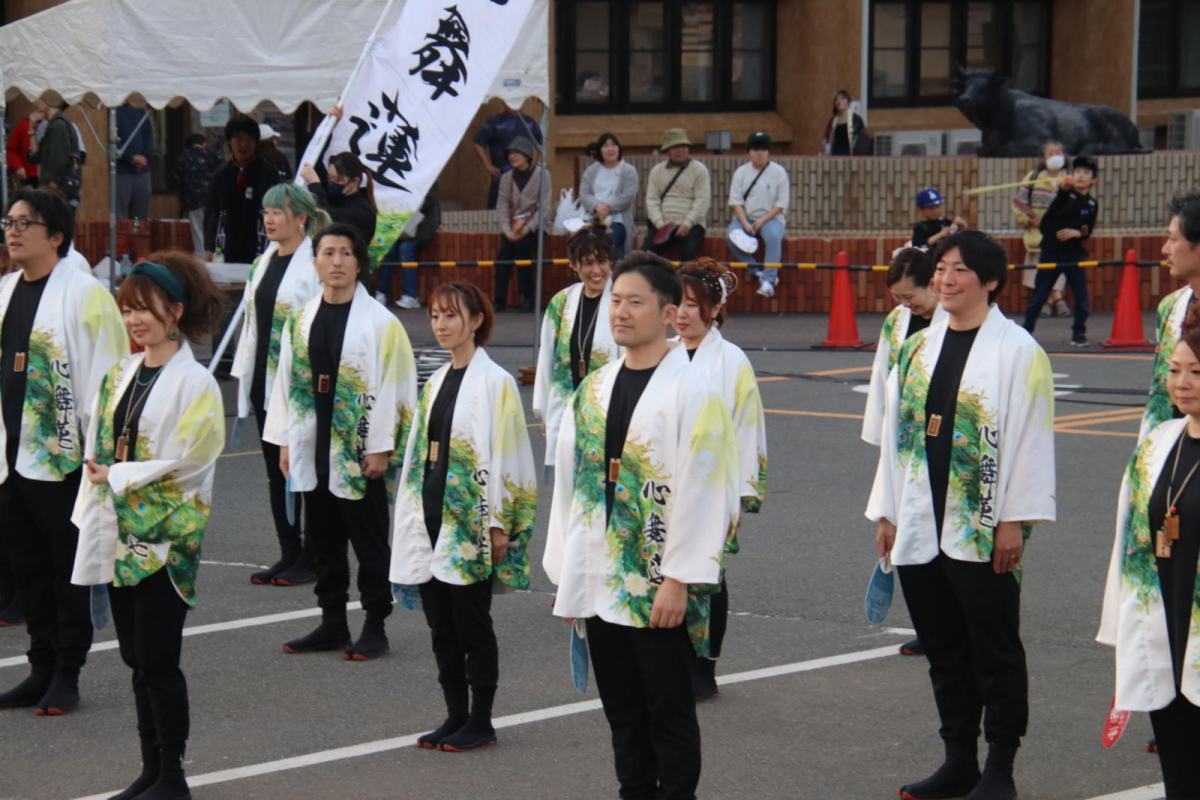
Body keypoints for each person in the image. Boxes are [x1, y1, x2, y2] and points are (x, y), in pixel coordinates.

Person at [867, 230, 1056, 800]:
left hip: (982, 525)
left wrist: (1013, 520)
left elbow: (1032, 439)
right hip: (919, 519)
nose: (945, 280)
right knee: (944, 648)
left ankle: (1000, 766)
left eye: (959, 270)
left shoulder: (1018, 350)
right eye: (940, 269)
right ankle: (958, 761)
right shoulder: (917, 347)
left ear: (990, 281)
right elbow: (898, 437)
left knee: (994, 647)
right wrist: (887, 511)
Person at [543, 252, 737, 800]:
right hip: (600, 575)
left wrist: (678, 578)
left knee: (668, 710)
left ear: (669, 313)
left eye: (635, 301)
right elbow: (573, 490)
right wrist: (570, 574)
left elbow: (705, 492)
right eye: (616, 301)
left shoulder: (694, 390)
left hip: (657, 580)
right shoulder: (593, 388)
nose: (620, 312)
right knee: (622, 711)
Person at [71, 251, 225, 800]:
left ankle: (173, 776)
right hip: (118, 532)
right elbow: (97, 439)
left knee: (159, 658)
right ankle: (150, 769)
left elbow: (192, 462)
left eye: (145, 309)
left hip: (166, 540)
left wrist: (118, 475)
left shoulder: (196, 383)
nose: (134, 320)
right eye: (128, 309)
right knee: (135, 658)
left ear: (175, 312)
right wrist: (102, 478)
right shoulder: (120, 373)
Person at [390, 282, 537, 752]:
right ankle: (454, 714)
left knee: (472, 624)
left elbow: (510, 454)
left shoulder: (496, 382)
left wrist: (499, 522)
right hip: (431, 514)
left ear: (476, 321)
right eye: (435, 315)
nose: (441, 324)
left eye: (451, 315)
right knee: (441, 627)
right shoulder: (435, 381)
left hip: (470, 520)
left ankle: (481, 719)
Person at [0, 189, 127, 714]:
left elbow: (109, 380)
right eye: (9, 222)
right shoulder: (5, 290)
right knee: (27, 567)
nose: (12, 232)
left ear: (55, 236)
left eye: (24, 223)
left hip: (65, 458)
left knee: (66, 569)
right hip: (10, 456)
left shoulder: (85, 294)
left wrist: (102, 454)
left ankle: (67, 673)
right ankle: (40, 666)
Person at [266, 223, 417, 660]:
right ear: (314, 262)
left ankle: (375, 625)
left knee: (369, 543)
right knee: (324, 541)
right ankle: (332, 621)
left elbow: (397, 385)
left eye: (346, 253)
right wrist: (284, 442)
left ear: (359, 264)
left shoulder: (382, 323)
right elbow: (285, 382)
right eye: (328, 252)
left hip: (360, 449)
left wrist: (381, 445)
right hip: (313, 446)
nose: (336, 261)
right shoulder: (300, 320)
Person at [1100, 313, 1200, 799]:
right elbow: (1128, 537)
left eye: (1196, 372)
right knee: (1177, 749)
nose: (1182, 383)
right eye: (1175, 370)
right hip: (1163, 612)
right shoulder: (1160, 441)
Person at [673, 257, 767, 701]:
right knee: (670, 569)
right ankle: (675, 657)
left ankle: (704, 666)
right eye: (677, 303)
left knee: (708, 573)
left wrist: (740, 493)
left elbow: (747, 428)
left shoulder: (732, 360)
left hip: (714, 485)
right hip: (667, 482)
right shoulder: (664, 353)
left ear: (713, 309)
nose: (683, 313)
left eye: (693, 305)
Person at [230, 183, 330, 587]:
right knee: (277, 469)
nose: (269, 220)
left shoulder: (315, 263)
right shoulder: (263, 261)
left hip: (300, 382)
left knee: (305, 464)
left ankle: (314, 554)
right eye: (266, 213)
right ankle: (289, 551)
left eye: (277, 212)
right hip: (264, 379)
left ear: (301, 218)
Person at [861, 247, 946, 658]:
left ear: (933, 283)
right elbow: (884, 374)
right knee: (906, 535)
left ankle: (948, 627)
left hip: (945, 438)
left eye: (910, 296)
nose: (904, 304)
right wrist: (883, 430)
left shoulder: (953, 318)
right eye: (897, 297)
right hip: (905, 437)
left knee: (941, 537)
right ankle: (929, 627)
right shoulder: (897, 321)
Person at [533, 225, 622, 473]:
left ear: (611, 262)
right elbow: (547, 357)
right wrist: (544, 410)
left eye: (602, 261)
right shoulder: (561, 302)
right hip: (566, 406)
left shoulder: (623, 300)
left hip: (608, 408)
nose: (596, 270)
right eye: (587, 263)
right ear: (573, 265)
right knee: (567, 480)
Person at [1021, 155, 1100, 347]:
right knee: (1039, 296)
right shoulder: (1063, 196)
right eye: (1077, 171)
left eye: (1086, 172)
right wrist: (1062, 193)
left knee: (1081, 297)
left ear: (1094, 180)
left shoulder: (1092, 204)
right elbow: (1047, 223)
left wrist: (1076, 233)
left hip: (1074, 254)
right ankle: (1025, 333)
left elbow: (1087, 230)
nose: (1080, 175)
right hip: (1051, 252)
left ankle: (1078, 334)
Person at [1141, 189, 1200, 440]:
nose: (1165, 249)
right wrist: (1148, 450)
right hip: (1177, 444)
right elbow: (1160, 393)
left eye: (1174, 239)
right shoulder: (1170, 307)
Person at [203, 115, 285, 264]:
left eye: (249, 139)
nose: (244, 144)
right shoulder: (221, 174)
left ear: (256, 142)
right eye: (238, 139)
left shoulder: (268, 172)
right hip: (227, 246)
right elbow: (212, 212)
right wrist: (209, 247)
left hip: (260, 244)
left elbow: (279, 208)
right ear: (229, 141)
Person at [726, 132, 789, 299]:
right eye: (755, 149)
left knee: (774, 237)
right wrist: (745, 224)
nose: (760, 153)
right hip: (746, 217)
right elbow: (736, 202)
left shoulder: (779, 172)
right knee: (731, 235)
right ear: (748, 153)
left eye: (763, 149)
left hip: (771, 218)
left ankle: (769, 280)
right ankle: (756, 270)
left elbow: (781, 204)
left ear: (768, 152)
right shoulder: (740, 173)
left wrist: (762, 221)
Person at [1013, 141, 1070, 318]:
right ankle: (1057, 298)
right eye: (1050, 153)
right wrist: (1029, 220)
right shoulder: (1033, 177)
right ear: (1044, 158)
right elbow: (1019, 204)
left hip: (1061, 235)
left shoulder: (1070, 179)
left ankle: (1048, 301)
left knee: (1059, 264)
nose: (1055, 156)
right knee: (1041, 266)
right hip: (1037, 234)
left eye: (1058, 152)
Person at [494, 136, 548, 313]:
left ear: (527, 155)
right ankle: (499, 298)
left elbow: (544, 208)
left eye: (517, 152)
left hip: (535, 226)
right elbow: (501, 205)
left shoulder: (542, 175)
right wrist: (506, 230)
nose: (512, 156)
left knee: (522, 248)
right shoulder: (506, 178)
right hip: (512, 225)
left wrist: (527, 229)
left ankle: (528, 296)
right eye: (510, 153)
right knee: (504, 253)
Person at [644, 129, 711, 263]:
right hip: (663, 223)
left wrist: (688, 223)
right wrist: (660, 225)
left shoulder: (699, 170)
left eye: (683, 146)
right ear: (667, 150)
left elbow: (702, 201)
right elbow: (652, 200)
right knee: (644, 256)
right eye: (675, 147)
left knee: (689, 258)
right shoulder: (656, 171)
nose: (680, 150)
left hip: (691, 224)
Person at [377, 180, 440, 310]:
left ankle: (411, 295)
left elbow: (431, 202)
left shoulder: (430, 175)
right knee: (388, 250)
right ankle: (381, 293)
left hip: (420, 226)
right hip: (401, 224)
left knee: (405, 249)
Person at [301, 151, 378, 251]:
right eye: (329, 178)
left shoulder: (363, 210)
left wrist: (314, 184)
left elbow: (328, 216)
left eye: (337, 179)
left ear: (355, 181)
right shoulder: (338, 198)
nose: (332, 183)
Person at [473, 103, 543, 210]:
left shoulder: (529, 122)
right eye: (512, 103)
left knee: (526, 208)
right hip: (501, 176)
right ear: (504, 104)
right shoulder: (494, 122)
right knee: (497, 210)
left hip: (526, 176)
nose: (516, 106)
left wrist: (537, 165)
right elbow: (478, 143)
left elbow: (542, 144)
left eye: (519, 102)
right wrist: (487, 165)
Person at [579, 133, 639, 258]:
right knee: (582, 244)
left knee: (606, 244)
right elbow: (584, 194)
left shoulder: (628, 171)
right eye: (606, 146)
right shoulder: (591, 170)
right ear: (600, 150)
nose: (610, 149)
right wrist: (597, 207)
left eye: (613, 145)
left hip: (617, 219)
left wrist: (607, 208)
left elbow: (628, 196)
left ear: (619, 148)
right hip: (592, 218)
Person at [26, 99, 83, 203]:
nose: (34, 103)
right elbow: (36, 155)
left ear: (47, 101)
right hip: (54, 192)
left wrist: (51, 191)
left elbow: (59, 161)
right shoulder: (53, 125)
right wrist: (32, 129)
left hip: (58, 193)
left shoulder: (58, 125)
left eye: (39, 98)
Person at [176, 134, 222, 260]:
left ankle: (202, 262)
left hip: (193, 201)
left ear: (187, 147)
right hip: (214, 200)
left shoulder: (183, 159)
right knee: (216, 231)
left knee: (199, 235)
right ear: (204, 143)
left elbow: (181, 184)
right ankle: (217, 258)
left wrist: (183, 203)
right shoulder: (213, 154)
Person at [115, 103, 154, 222]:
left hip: (142, 171)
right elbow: (112, 141)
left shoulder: (142, 112)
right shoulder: (112, 112)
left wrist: (144, 158)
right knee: (119, 217)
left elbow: (149, 137)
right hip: (121, 171)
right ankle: (120, 235)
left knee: (140, 219)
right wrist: (131, 158)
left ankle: (137, 234)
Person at [822, 90, 872, 156]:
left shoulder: (856, 119)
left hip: (850, 156)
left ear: (848, 102)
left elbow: (862, 139)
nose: (839, 101)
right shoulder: (833, 121)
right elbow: (827, 139)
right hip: (835, 155)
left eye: (842, 99)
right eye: (836, 99)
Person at [6, 106, 45, 188]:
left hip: (47, 175)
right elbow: (11, 150)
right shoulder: (23, 126)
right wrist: (18, 166)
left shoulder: (54, 126)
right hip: (29, 175)